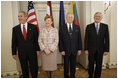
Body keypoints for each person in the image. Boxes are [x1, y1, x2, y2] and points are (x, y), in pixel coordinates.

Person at [12, 11, 40, 78]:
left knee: (34, 68)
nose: (19, 18)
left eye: (21, 16)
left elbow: (36, 39)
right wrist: (14, 53)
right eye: (18, 16)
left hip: (32, 51)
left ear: (26, 17)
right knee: (24, 69)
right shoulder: (15, 29)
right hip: (22, 52)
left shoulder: (33, 27)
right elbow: (14, 42)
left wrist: (37, 49)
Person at [84, 12, 109, 78]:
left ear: (101, 18)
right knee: (91, 65)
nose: (97, 17)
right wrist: (86, 49)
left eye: (99, 16)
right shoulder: (89, 26)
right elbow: (86, 39)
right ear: (94, 17)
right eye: (96, 16)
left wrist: (106, 50)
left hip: (101, 50)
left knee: (99, 65)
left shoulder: (105, 26)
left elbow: (107, 39)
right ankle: (90, 76)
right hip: (91, 49)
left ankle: (97, 77)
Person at [59, 12, 82, 78]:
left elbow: (79, 39)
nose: (70, 18)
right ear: (66, 18)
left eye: (71, 17)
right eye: (68, 17)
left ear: (73, 18)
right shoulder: (62, 27)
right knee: (66, 65)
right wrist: (61, 50)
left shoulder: (77, 27)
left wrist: (79, 49)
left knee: (73, 65)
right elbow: (60, 40)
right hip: (65, 50)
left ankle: (72, 76)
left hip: (74, 50)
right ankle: (66, 76)